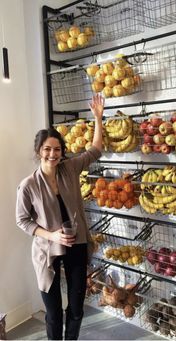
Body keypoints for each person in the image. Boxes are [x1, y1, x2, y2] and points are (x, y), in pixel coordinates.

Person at [16, 94, 104, 340]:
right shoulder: (28, 185)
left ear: (62, 152)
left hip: (76, 244)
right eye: (47, 149)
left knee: (76, 308)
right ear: (38, 151)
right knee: (54, 313)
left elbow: (95, 150)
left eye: (57, 149)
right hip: (47, 252)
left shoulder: (70, 168)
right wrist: (51, 234)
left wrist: (98, 118)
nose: (52, 154)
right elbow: (23, 220)